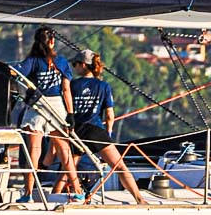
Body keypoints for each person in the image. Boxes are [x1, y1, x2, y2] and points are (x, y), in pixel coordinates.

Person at [66, 51, 148, 205]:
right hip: (96, 131)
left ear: (83, 65)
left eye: (75, 64)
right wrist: (108, 134)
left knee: (68, 170)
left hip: (77, 132)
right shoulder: (103, 86)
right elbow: (109, 115)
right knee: (119, 166)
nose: (74, 67)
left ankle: (55, 198)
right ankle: (139, 199)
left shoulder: (72, 85)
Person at [17, 25, 81, 199]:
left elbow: (17, 74)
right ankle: (78, 191)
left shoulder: (32, 61)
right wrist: (70, 114)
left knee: (34, 150)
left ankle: (28, 193)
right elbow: (66, 90)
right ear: (52, 41)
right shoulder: (61, 62)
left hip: (38, 105)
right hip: (57, 106)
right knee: (64, 149)